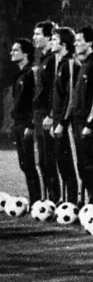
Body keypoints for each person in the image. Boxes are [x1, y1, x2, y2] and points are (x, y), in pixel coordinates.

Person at [71, 25, 93, 206]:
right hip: (78, 120)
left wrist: (90, 123)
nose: (75, 44)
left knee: (89, 162)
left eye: (79, 41)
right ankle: (89, 201)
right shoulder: (84, 64)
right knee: (82, 164)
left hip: (86, 122)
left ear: (90, 43)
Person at [47, 26, 79, 206]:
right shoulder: (61, 63)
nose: (52, 42)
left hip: (66, 123)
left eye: (54, 39)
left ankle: (73, 201)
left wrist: (62, 122)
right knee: (62, 163)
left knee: (68, 163)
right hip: (59, 122)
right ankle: (68, 202)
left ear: (64, 43)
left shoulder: (70, 64)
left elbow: (71, 97)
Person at [31, 21, 60, 202]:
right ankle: (49, 198)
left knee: (49, 159)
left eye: (38, 34)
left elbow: (54, 90)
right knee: (42, 160)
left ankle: (55, 198)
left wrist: (50, 114)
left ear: (49, 37)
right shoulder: (43, 59)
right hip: (40, 114)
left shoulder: (52, 60)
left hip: (48, 115)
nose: (34, 38)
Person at [9, 38, 41, 203]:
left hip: (26, 125)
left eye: (15, 50)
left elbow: (35, 101)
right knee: (24, 164)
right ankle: (35, 199)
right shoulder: (20, 74)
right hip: (18, 124)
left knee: (30, 164)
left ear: (26, 53)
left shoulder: (31, 73)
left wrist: (31, 124)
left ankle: (38, 200)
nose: (11, 53)